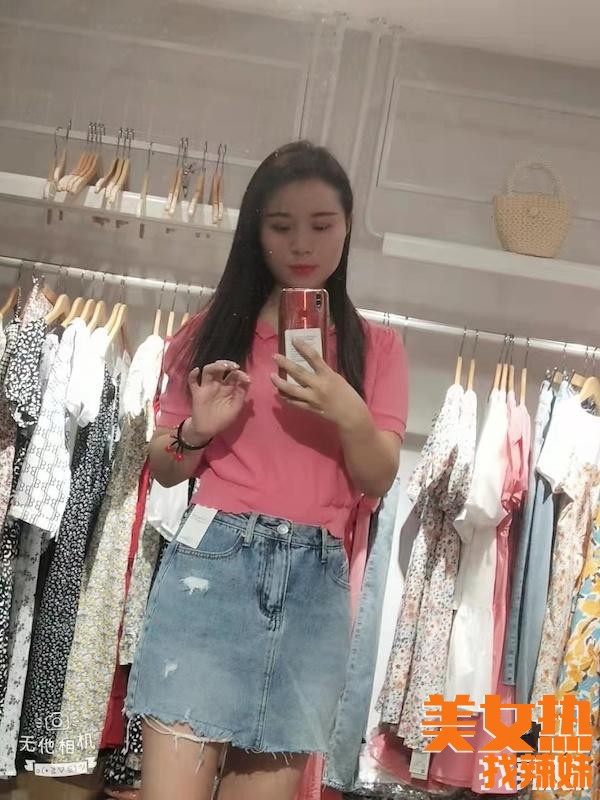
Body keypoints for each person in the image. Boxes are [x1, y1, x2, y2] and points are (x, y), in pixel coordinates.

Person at [124, 140, 408, 800]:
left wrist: (347, 411)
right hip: (212, 568)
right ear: (256, 231)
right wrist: (197, 431)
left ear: (347, 227)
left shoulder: (377, 349)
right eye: (281, 226)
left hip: (313, 585)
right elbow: (165, 469)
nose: (301, 244)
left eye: (322, 225)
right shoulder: (208, 333)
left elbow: (377, 478)